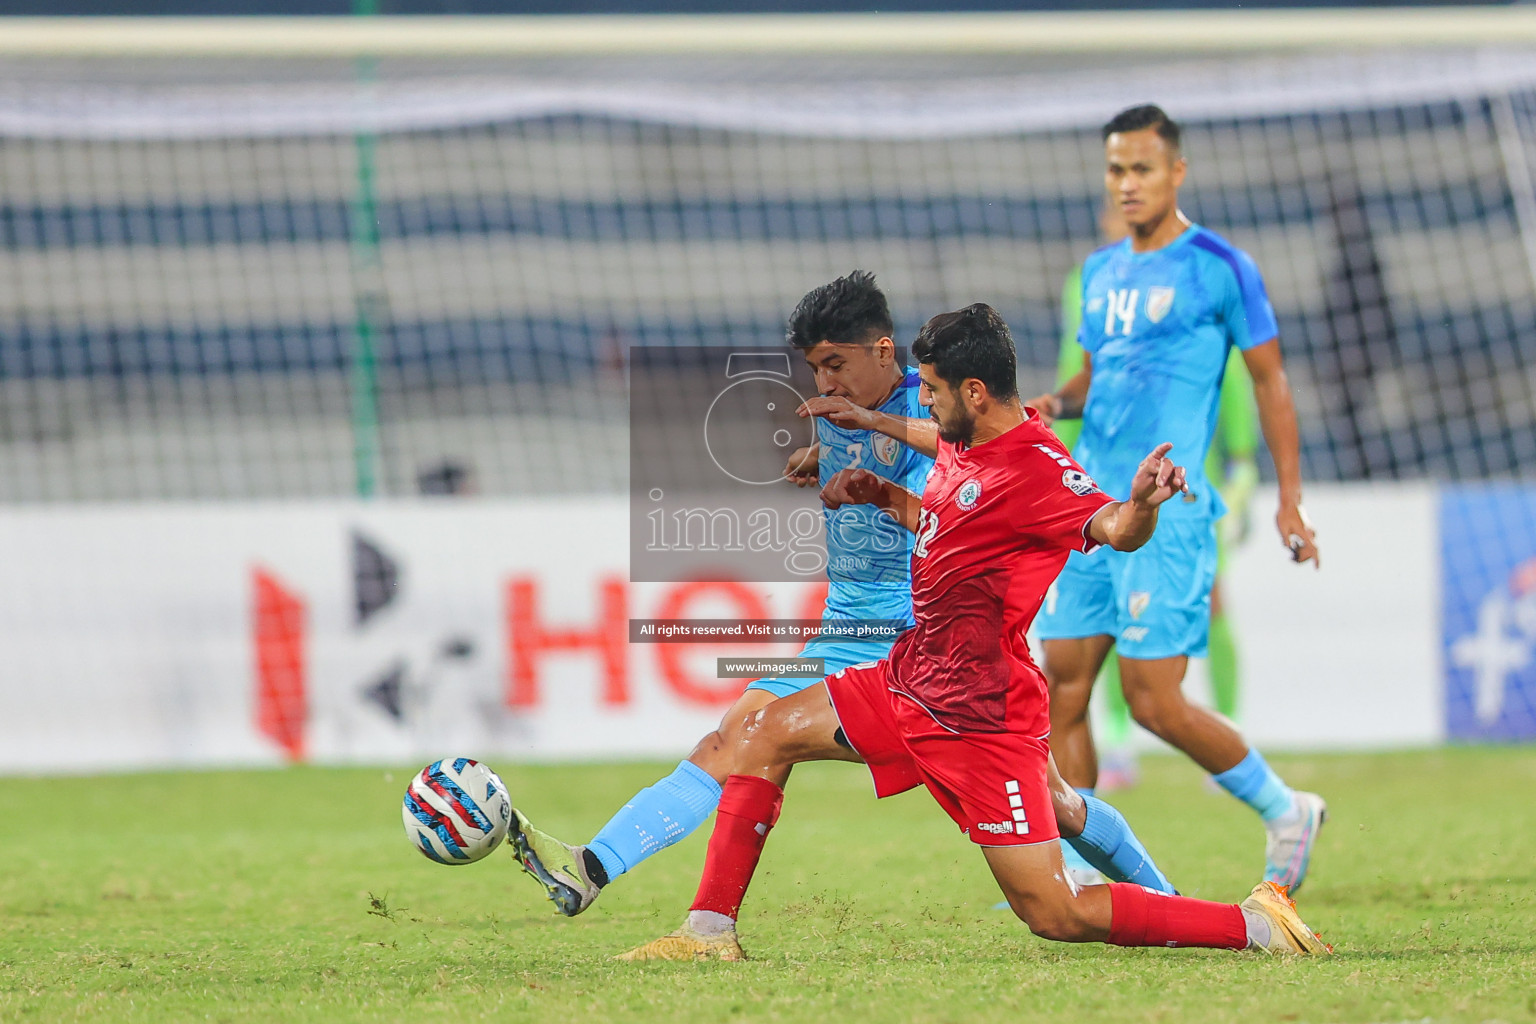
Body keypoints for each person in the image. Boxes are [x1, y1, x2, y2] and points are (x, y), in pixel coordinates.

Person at [621, 304, 1329, 959]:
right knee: (763, 731)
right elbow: (949, 515)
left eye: (929, 388)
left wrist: (1141, 503)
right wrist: (885, 488)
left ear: (975, 393)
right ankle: (709, 931)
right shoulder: (966, 441)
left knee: (1056, 911)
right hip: (908, 682)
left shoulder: (1039, 468)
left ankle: (1254, 925)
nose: (919, 399)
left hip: (978, 718)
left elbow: (1112, 526)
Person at [508, 274, 1174, 955]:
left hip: (914, 638)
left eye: (834, 364)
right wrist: (826, 451)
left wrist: (875, 456)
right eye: (814, 368)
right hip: (847, 625)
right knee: (742, 738)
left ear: (883, 352)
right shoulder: (851, 413)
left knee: (1048, 813)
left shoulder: (941, 411)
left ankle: (655, 900)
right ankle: (618, 880)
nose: (824, 382)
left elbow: (954, 495)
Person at [1027, 104, 1325, 892]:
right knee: (1062, 682)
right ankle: (1088, 878)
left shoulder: (1221, 267)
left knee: (1154, 702)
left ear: (1176, 172)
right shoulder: (1098, 273)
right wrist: (1054, 404)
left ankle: (1285, 807)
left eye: (1142, 169)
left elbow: (1270, 381)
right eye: (1116, 170)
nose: (1127, 184)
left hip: (1170, 509)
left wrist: (1288, 499)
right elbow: (1098, 378)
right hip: (1092, 509)